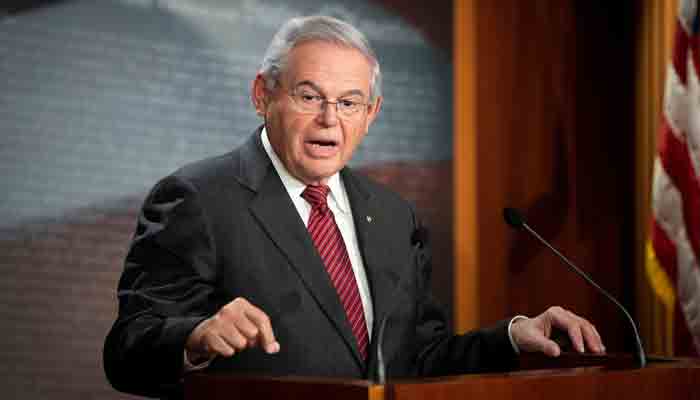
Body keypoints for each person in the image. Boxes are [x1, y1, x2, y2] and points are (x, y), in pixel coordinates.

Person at [103, 15, 604, 399]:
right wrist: (195, 337)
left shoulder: (392, 216)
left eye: (348, 103)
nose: (328, 119)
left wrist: (513, 338)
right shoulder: (198, 199)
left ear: (371, 114)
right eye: (309, 96)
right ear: (262, 95)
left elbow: (415, 357)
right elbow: (127, 350)